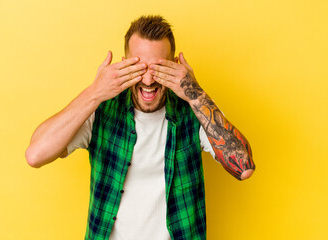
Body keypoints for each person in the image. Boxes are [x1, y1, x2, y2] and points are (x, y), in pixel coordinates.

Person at [25, 15, 256, 240]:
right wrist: (94, 92)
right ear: (124, 64)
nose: (147, 81)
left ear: (175, 66)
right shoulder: (102, 109)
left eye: (158, 68)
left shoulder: (194, 112)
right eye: (139, 68)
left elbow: (244, 168)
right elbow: (35, 155)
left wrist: (194, 93)